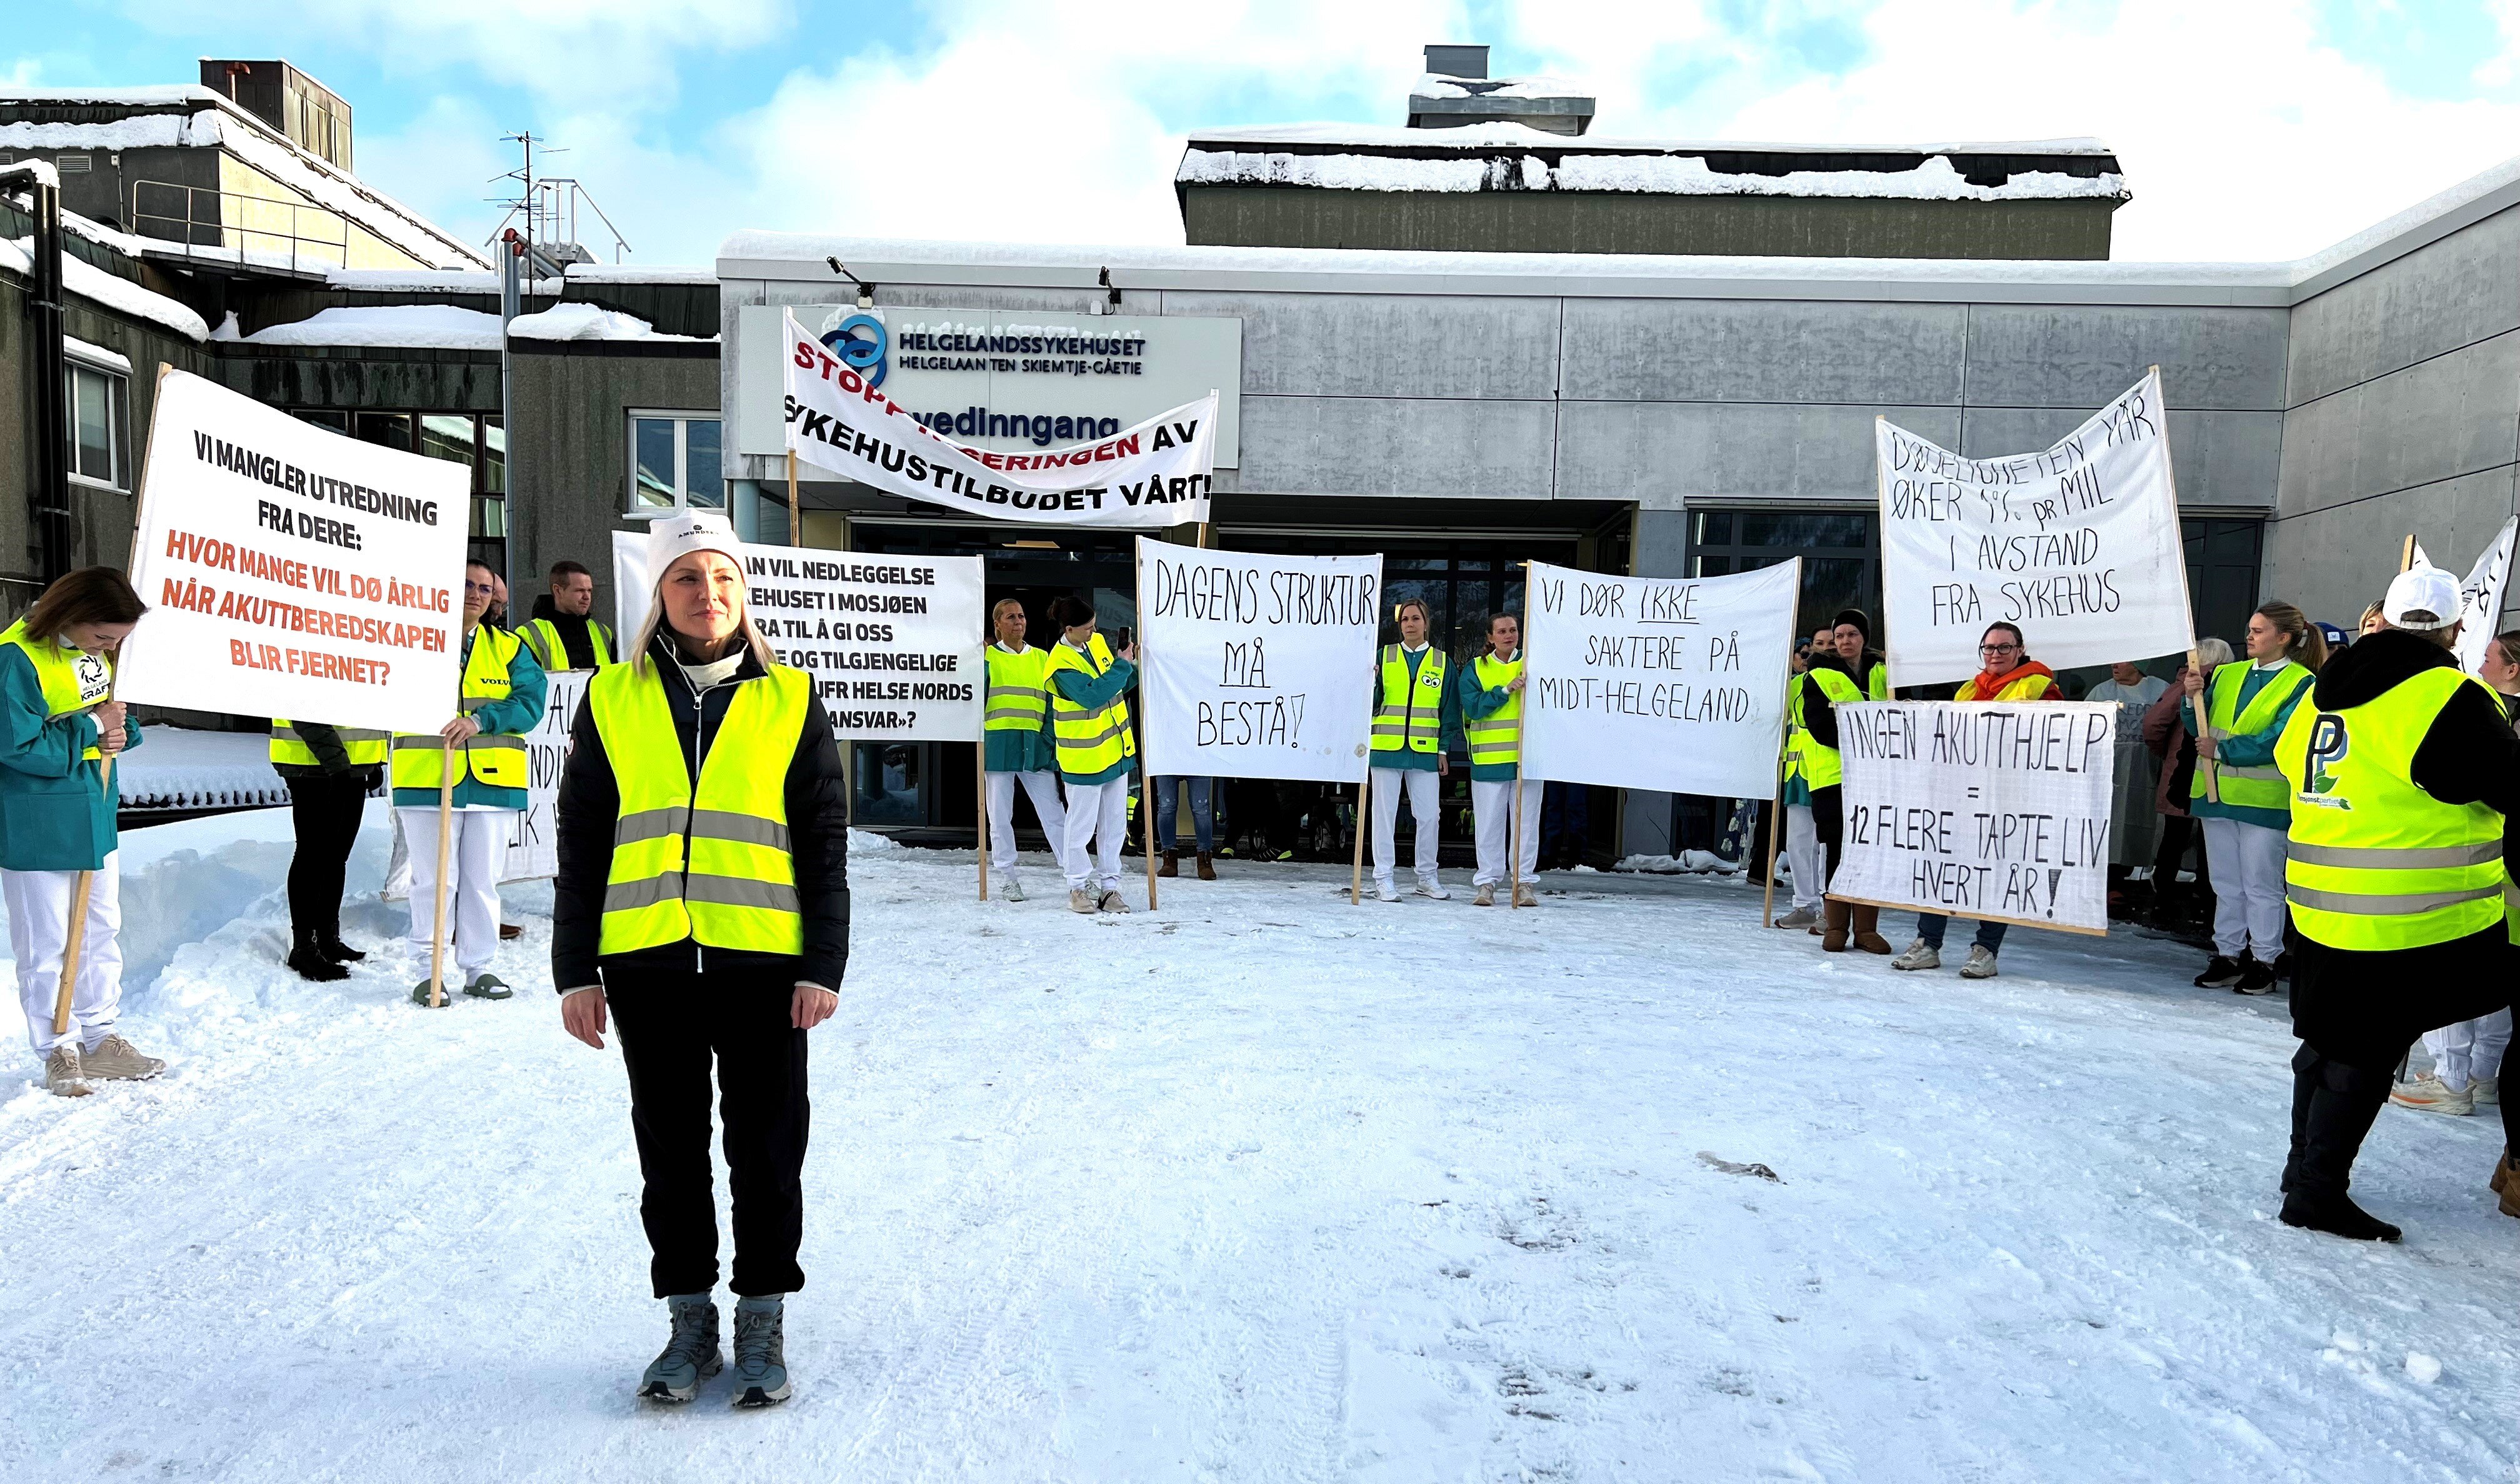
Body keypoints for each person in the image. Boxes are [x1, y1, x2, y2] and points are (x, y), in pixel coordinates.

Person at [554, 510, 848, 1405]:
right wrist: (576, 968)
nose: (706, 595)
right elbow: (584, 840)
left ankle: (762, 1318)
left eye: (722, 578)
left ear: (743, 592)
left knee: (766, 1149)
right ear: (660, 592)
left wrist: (822, 963)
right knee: (671, 1151)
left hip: (763, 964)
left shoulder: (790, 697)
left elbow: (823, 837)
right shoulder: (612, 696)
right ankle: (690, 1324)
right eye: (687, 578)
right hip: (646, 964)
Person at [2273, 565, 2520, 1241]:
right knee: (2365, 1050)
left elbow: (2294, 766)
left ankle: (2301, 1171)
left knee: (2324, 1039)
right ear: (2453, 627)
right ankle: (2318, 1191)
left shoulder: (2321, 691)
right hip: (2405, 915)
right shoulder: (2448, 695)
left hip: (2322, 905)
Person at [1, 568, 161, 1097]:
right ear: (71, 614)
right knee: (46, 940)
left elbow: (108, 721)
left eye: (118, 640)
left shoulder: (90, 652)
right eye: (105, 636)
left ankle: (100, 1036)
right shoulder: (16, 658)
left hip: (92, 807)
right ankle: (57, 1049)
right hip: (38, 819)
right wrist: (94, 727)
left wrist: (118, 729)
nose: (112, 649)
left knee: (99, 927)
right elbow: (18, 748)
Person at [391, 558, 546, 1004]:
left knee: (481, 879)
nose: (476, 594)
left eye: (484, 588)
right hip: (426, 776)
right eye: (467, 584)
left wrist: (483, 719)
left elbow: (532, 702)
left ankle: (479, 967)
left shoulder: (509, 647)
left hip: (493, 782)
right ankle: (429, 969)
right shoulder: (411, 639)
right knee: (434, 880)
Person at [2392, 627, 2520, 1117]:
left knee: (2453, 978)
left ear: (2511, 669)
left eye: (2489, 658)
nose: (2479, 666)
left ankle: (2452, 1079)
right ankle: (2483, 1074)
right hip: (2504, 869)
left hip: (2477, 865)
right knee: (2498, 979)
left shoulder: (2478, 713)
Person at [1891, 622, 2058, 979]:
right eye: (1989, 648)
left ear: (2020, 649)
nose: (1995, 654)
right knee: (1941, 860)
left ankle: (1986, 949)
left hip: (2009, 797)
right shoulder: (1968, 689)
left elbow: (2053, 740)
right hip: (1962, 793)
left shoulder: (2040, 686)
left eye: (2004, 647)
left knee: (1996, 868)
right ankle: (1928, 944)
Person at [2182, 603, 2325, 993]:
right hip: (2216, 794)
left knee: (2261, 885)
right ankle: (2227, 954)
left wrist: (2224, 751)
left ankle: (2264, 959)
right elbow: (2197, 721)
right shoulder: (2227, 674)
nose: (2249, 636)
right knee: (2226, 882)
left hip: (2264, 800)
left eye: (2259, 631)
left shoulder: (2304, 683)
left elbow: (2282, 738)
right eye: (2250, 629)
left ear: (2284, 638)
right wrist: (2189, 695)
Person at [269, 714, 387, 980]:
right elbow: (304, 712)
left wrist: (370, 761)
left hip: (348, 767)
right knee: (312, 855)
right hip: (314, 766)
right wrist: (338, 764)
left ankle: (326, 939)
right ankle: (303, 949)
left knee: (336, 857)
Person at [1802, 609, 1894, 953]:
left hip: (1876, 778)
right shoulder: (1819, 676)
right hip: (1834, 778)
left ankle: (1867, 929)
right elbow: (1819, 724)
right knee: (1838, 851)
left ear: (1864, 638)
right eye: (1839, 636)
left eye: (1851, 635)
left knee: (1871, 850)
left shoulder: (1886, 672)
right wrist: (1866, 743)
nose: (1844, 642)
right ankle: (1837, 926)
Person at [1044, 594, 1138, 915]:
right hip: (1083, 759)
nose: (1094, 631)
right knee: (1080, 827)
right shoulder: (1059, 664)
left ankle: (1110, 889)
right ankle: (1077, 887)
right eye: (1087, 628)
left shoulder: (1096, 643)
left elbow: (1119, 686)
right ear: (1069, 629)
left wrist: (1133, 666)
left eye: (1095, 625)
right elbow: (1093, 695)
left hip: (1115, 752)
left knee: (1114, 825)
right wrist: (1122, 668)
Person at [1368, 599, 1463, 901]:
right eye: (1405, 620)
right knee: (1384, 816)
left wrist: (1444, 750)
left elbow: (1449, 711)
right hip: (1385, 749)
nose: (1410, 624)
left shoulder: (1443, 662)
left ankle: (1427, 876)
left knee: (1429, 816)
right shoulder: (1384, 656)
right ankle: (1383, 877)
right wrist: (1370, 681)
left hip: (1425, 751)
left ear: (1426, 623)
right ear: (1400, 625)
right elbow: (1367, 705)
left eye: (1416, 619)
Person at [981, 597, 1069, 900]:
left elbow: (1052, 704)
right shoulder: (987, 658)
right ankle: (1007, 877)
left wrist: (1048, 739)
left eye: (1021, 616)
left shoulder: (1043, 659)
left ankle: (1075, 875)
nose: (1019, 621)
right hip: (998, 746)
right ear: (997, 625)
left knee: (1054, 814)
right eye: (1010, 617)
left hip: (1034, 747)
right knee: (1000, 816)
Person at [2143, 639, 2232, 932]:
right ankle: (2208, 905)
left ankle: (2162, 902)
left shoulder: (2187, 681)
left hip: (2181, 767)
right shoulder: (2233, 682)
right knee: (2213, 843)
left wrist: (2164, 751)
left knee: (2174, 839)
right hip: (2222, 771)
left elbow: (2154, 723)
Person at [1458, 610, 1539, 907]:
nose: (1509, 635)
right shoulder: (1475, 668)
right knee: (1490, 825)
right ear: (1490, 638)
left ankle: (1524, 882)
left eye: (1513, 630)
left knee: (1526, 825)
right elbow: (1474, 708)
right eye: (1502, 631)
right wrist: (1505, 691)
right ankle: (1487, 883)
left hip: (1527, 760)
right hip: (1489, 760)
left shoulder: (1534, 664)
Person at [2088, 660, 2169, 911]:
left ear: (2138, 664)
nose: (2114, 664)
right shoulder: (2101, 692)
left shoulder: (2158, 688)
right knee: (2108, 825)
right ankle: (2110, 883)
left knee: (2137, 822)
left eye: (2122, 660)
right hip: (2107, 773)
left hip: (2145, 772)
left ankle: (2126, 877)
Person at [518, 559, 619, 673]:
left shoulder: (604, 633)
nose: (587, 597)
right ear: (558, 591)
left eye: (589, 591)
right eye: (580, 590)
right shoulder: (529, 634)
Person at [1152, 774, 1218, 880]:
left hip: (1198, 761)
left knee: (1201, 808)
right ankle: (1169, 860)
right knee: (1166, 806)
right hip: (1167, 761)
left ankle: (1205, 861)